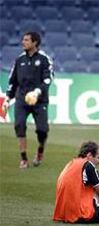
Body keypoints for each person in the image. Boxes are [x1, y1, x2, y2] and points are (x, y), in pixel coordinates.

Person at [1, 31, 53, 169]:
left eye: (26, 40)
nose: (23, 42)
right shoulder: (19, 60)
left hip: (39, 100)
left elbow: (48, 78)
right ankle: (24, 158)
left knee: (42, 130)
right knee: (19, 125)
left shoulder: (44, 59)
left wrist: (37, 92)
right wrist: (7, 99)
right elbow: (12, 82)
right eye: (23, 40)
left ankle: (40, 151)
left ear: (34, 42)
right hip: (22, 100)